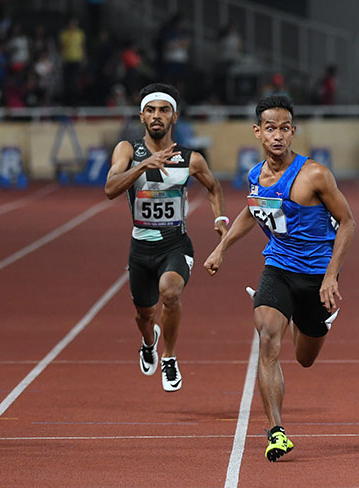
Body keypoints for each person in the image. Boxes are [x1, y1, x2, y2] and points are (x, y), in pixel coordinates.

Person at [203, 95, 356, 461]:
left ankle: (313, 320)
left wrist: (331, 276)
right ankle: (277, 431)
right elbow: (251, 211)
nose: (277, 136)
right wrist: (221, 248)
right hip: (278, 268)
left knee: (304, 358)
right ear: (258, 132)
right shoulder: (256, 175)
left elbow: (348, 222)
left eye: (284, 128)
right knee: (268, 336)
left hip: (316, 276)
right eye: (270, 128)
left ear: (293, 132)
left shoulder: (315, 175)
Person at [104, 83, 227, 392]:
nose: (156, 116)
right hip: (140, 248)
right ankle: (150, 342)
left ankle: (169, 358)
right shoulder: (128, 150)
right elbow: (110, 188)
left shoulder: (191, 159)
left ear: (174, 117)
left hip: (175, 244)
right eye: (150, 110)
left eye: (163, 110)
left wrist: (220, 219)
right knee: (143, 315)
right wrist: (143, 165)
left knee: (170, 293)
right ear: (142, 116)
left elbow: (213, 187)